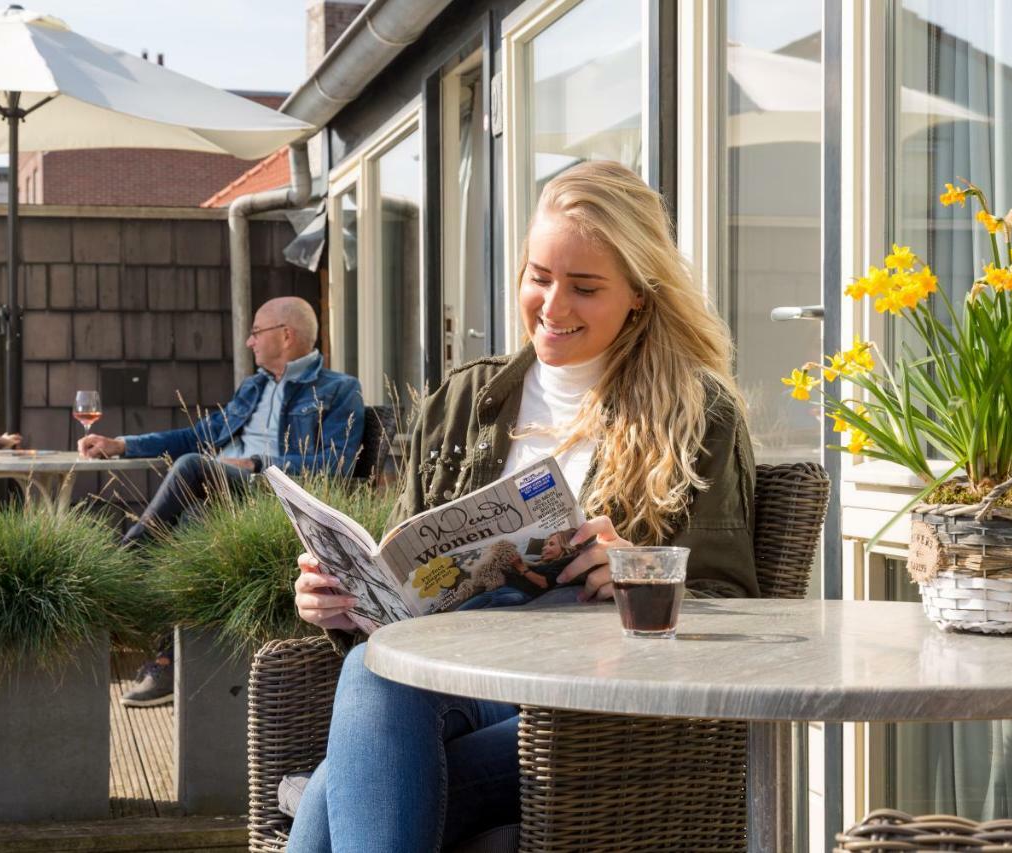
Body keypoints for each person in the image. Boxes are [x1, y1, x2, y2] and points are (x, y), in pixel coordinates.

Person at [288, 160, 759, 851]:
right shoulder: (461, 403)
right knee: (372, 665)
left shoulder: (696, 414)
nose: (553, 304)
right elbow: (401, 585)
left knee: (334, 792)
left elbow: (741, 609)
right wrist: (342, 599)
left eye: (585, 286)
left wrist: (637, 568)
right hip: (457, 684)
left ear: (638, 293)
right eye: (538, 277)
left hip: (591, 708)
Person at [80, 295, 364, 706]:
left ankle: (120, 565)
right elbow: (195, 436)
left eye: (255, 333)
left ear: (286, 336)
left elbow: (337, 465)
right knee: (195, 509)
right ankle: (167, 660)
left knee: (195, 468)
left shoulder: (338, 390)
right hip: (224, 495)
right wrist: (122, 444)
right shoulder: (253, 388)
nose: (249, 342)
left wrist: (257, 463)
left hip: (271, 497)